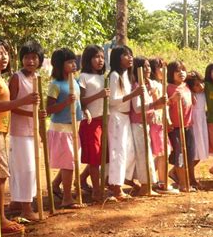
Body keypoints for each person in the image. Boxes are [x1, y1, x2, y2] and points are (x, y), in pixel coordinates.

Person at [0, 39, 37, 229]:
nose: (3, 58)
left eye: (5, 53)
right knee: (0, 175)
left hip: (2, 131)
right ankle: (0, 218)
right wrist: (22, 101)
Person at [4, 40, 44, 219]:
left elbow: (38, 107)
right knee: (25, 168)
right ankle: (26, 208)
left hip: (32, 130)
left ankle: (16, 202)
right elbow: (9, 105)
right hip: (19, 130)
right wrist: (30, 114)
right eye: (27, 58)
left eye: (34, 58)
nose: (30, 61)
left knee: (31, 167)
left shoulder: (36, 79)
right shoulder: (16, 78)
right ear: (21, 60)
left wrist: (39, 117)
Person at [46, 48, 85, 208]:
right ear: (60, 65)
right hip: (61, 129)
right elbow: (49, 109)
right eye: (69, 62)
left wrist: (85, 112)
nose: (74, 64)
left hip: (73, 128)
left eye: (74, 61)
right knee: (69, 163)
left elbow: (78, 104)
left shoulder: (74, 81)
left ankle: (56, 185)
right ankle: (67, 198)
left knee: (70, 161)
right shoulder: (55, 85)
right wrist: (65, 103)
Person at [107, 46, 144, 200]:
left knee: (128, 152)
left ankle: (118, 181)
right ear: (117, 58)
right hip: (116, 117)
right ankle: (116, 188)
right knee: (118, 153)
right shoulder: (115, 76)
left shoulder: (126, 76)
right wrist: (133, 95)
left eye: (131, 55)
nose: (130, 58)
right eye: (125, 55)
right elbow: (113, 101)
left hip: (125, 118)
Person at [78, 45, 110, 202]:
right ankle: (97, 191)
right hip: (90, 121)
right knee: (94, 157)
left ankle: (82, 179)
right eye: (96, 57)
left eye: (102, 57)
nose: (100, 61)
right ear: (88, 59)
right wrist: (99, 95)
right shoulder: (83, 77)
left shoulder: (104, 77)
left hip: (104, 120)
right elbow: (81, 100)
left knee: (99, 156)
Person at [131, 57, 166, 195]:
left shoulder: (148, 85)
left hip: (147, 124)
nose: (147, 69)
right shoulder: (136, 86)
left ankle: (148, 185)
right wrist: (155, 104)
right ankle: (146, 186)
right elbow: (138, 108)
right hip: (138, 124)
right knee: (143, 155)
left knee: (148, 155)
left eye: (148, 66)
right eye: (144, 67)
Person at [166, 61, 196, 191]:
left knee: (189, 154)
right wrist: (172, 99)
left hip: (188, 125)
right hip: (176, 127)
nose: (181, 73)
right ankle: (184, 184)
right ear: (171, 74)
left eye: (183, 70)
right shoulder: (168, 88)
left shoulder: (186, 86)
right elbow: (164, 105)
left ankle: (183, 180)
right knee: (180, 156)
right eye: (178, 71)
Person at [148, 57, 171, 191]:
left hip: (161, 120)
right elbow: (157, 104)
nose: (164, 70)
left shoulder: (161, 84)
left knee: (162, 152)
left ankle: (156, 179)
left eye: (164, 67)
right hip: (156, 121)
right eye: (160, 67)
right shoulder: (153, 84)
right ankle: (162, 182)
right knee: (162, 152)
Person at [185, 71, 208, 187]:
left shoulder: (203, 94)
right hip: (194, 124)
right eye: (197, 85)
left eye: (201, 83)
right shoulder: (189, 93)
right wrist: (190, 91)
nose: (201, 87)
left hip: (201, 124)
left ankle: (177, 172)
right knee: (194, 153)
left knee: (201, 152)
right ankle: (191, 178)